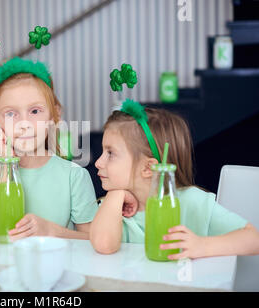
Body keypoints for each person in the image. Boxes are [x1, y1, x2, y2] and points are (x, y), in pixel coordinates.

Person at [90, 101, 259, 259]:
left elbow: (253, 239)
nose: (98, 162)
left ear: (148, 168)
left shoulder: (192, 201)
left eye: (110, 153)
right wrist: (115, 194)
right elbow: (104, 245)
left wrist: (203, 246)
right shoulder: (113, 207)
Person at [0, 57, 98, 240]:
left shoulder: (73, 176)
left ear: (53, 115)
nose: (24, 124)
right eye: (11, 114)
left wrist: (52, 231)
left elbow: (93, 238)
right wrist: (7, 162)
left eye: (35, 111)